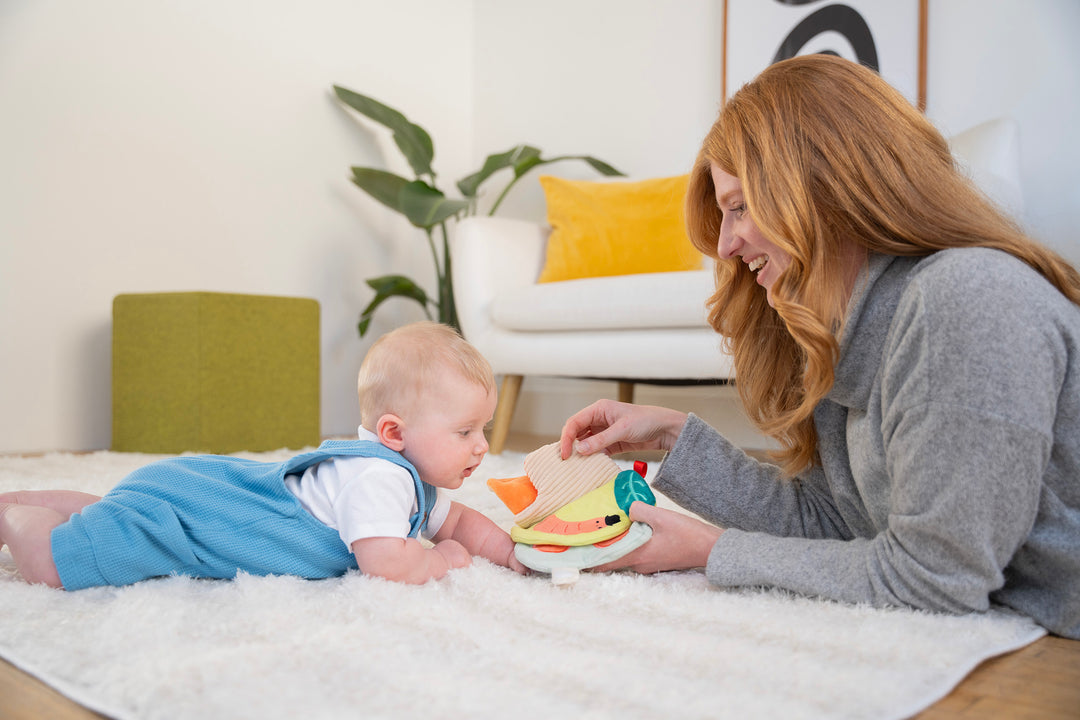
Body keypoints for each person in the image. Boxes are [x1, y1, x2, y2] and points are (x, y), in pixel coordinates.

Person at [559, 54, 1080, 638]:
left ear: (824, 192)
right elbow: (836, 523)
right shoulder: (844, 324)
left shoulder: (967, 299)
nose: (726, 244)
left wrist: (712, 550)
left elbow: (934, 580)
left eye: (740, 206)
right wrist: (672, 438)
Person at [1, 321, 525, 588]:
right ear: (393, 432)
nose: (482, 445)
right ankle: (16, 518)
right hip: (208, 515)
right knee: (61, 563)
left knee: (122, 511)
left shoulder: (409, 477)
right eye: (465, 431)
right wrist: (446, 562)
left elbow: (455, 521)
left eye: (483, 428)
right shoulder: (377, 480)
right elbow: (387, 563)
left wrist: (507, 551)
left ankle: (21, 497)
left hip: (195, 492)